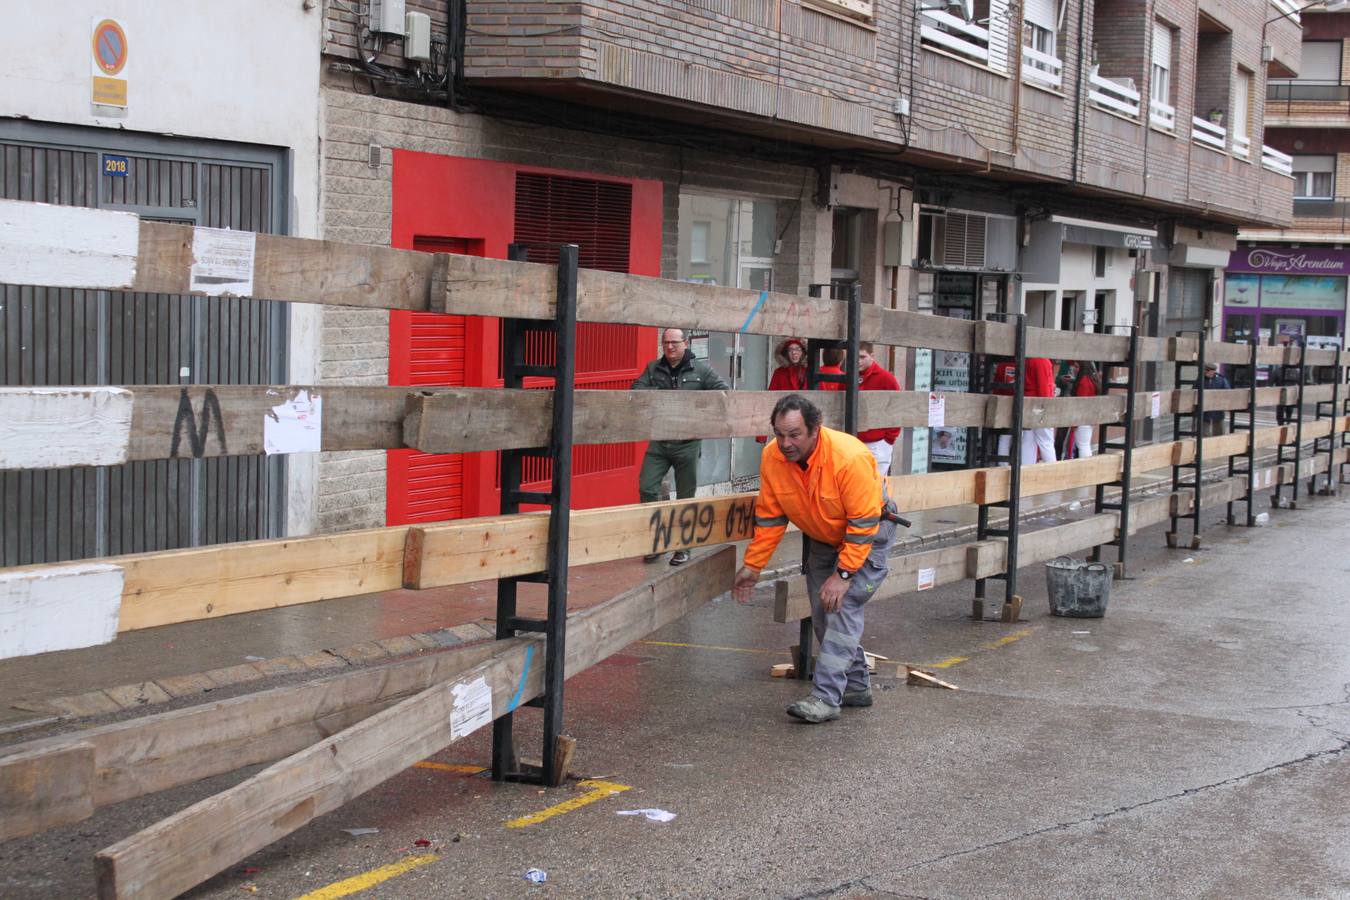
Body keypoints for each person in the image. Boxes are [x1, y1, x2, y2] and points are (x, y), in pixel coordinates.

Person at [731, 394, 898, 724]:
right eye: (779, 434)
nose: (785, 443)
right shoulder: (772, 459)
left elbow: (863, 523)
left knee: (841, 607)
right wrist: (753, 566)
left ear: (815, 430)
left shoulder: (847, 458)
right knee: (823, 613)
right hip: (824, 538)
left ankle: (825, 698)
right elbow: (770, 518)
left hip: (868, 537)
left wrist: (845, 575)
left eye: (794, 434)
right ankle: (855, 687)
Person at [632, 327, 730, 565]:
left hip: (687, 442)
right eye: (666, 343)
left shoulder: (701, 369)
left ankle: (683, 547)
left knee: (686, 496)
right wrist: (664, 396)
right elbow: (636, 391)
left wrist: (699, 415)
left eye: (674, 342)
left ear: (686, 344)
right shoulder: (653, 368)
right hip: (660, 440)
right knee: (647, 487)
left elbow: (724, 393)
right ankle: (657, 542)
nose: (670, 347)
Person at [856, 342, 901, 474]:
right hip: (854, 440)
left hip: (878, 443)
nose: (858, 361)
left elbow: (898, 409)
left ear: (872, 356)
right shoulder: (849, 376)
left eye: (862, 357)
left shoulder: (886, 379)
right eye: (855, 357)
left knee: (876, 486)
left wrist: (888, 439)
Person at [1062, 360, 1101, 459]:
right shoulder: (1092, 378)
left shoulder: (1084, 381)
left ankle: (1087, 469)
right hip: (1090, 416)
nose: (1074, 369)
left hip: (1084, 417)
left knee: (1083, 445)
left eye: (1076, 366)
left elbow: (1081, 404)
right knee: (1084, 444)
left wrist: (1075, 423)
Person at [1024, 356, 1057, 463]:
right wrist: (1048, 407)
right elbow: (1043, 389)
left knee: (1027, 441)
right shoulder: (1041, 360)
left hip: (1028, 403)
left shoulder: (1029, 359)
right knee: (1046, 441)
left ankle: (1025, 473)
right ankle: (1053, 474)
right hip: (1039, 406)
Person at [1202, 362, 1231, 437]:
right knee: (1204, 434)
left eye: (1209, 371)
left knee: (1219, 433)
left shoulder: (1221, 380)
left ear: (1213, 371)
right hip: (1204, 411)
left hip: (1218, 410)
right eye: (1206, 371)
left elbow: (1228, 392)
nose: (1207, 373)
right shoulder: (1201, 379)